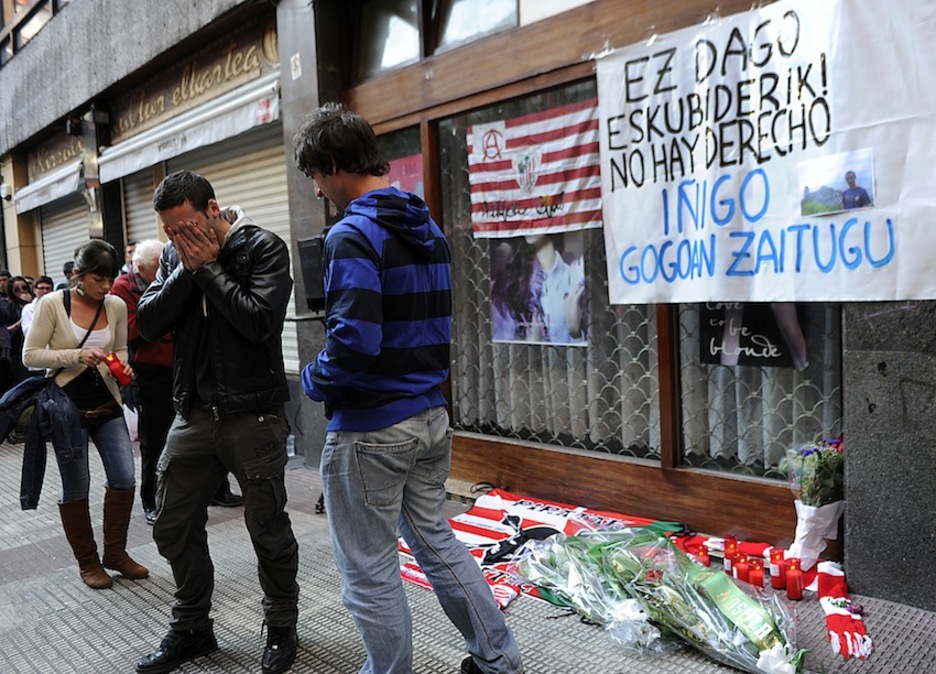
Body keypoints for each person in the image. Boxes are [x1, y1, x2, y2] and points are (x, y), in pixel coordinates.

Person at [294, 102, 524, 674]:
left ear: (331, 163)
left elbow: (353, 342)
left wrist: (313, 379)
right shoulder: (426, 225)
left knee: (369, 571)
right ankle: (498, 661)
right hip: (429, 415)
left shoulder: (352, 233)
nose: (319, 190)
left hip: (372, 427)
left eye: (316, 177)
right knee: (437, 543)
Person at [135, 170, 299, 674]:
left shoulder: (263, 248)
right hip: (194, 412)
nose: (178, 239)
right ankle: (192, 628)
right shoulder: (173, 257)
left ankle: (280, 627)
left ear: (212, 207)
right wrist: (188, 267)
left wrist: (208, 269)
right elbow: (149, 322)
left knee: (266, 525)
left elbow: (258, 320)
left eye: (185, 227)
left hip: (254, 412)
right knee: (171, 520)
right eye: (169, 232)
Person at [22, 240, 149, 589]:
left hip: (106, 399)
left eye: (110, 278)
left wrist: (121, 365)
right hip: (66, 405)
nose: (106, 286)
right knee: (76, 483)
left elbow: (121, 346)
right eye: (98, 279)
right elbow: (30, 356)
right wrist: (75, 356)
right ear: (78, 274)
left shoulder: (116, 305)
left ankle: (116, 554)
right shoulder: (52, 304)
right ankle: (88, 563)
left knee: (124, 476)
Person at [111, 240, 174, 525]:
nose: (163, 271)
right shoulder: (123, 288)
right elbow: (134, 329)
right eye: (156, 268)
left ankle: (213, 490)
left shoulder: (166, 278)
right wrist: (162, 315)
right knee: (154, 440)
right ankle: (151, 499)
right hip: (148, 372)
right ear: (140, 268)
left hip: (178, 367)